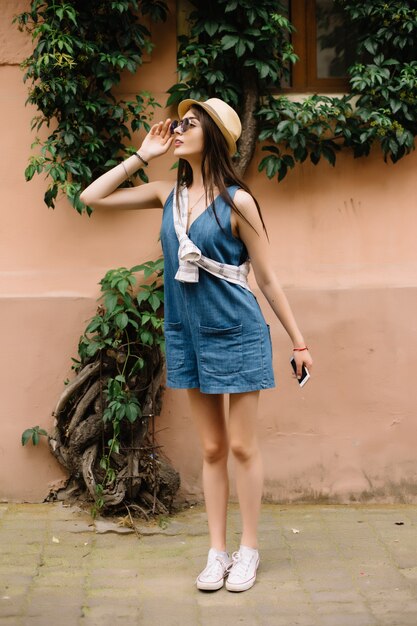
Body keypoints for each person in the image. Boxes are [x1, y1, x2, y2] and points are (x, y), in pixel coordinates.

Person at [80, 97, 313, 593]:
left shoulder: (238, 202)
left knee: (242, 446)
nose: (177, 129)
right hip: (187, 335)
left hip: (238, 332)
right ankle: (217, 553)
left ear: (212, 135)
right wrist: (143, 155)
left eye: (188, 124)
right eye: (178, 123)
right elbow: (91, 197)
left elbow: (267, 279)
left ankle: (248, 551)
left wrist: (298, 341)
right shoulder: (168, 193)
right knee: (211, 448)